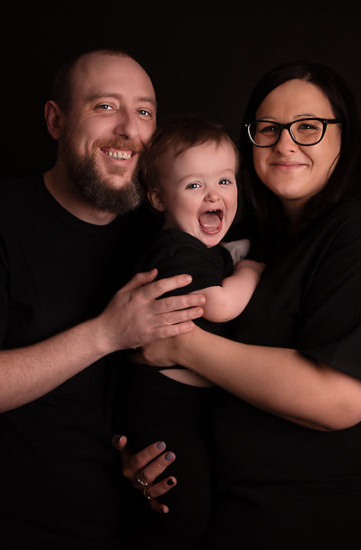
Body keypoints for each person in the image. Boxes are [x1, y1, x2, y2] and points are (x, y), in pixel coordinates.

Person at [117, 59, 361, 548]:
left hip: (319, 524)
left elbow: (340, 400)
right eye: (269, 129)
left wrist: (179, 346)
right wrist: (160, 461)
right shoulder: (256, 240)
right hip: (233, 515)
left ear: (345, 137)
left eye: (308, 127)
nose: (285, 144)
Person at [0, 49, 206, 548]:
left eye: (144, 112)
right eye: (105, 106)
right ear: (56, 121)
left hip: (123, 529)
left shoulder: (161, 233)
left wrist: (144, 459)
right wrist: (107, 334)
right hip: (2, 525)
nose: (129, 129)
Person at [115, 114, 264, 547]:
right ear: (159, 198)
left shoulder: (195, 247)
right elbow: (219, 304)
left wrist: (235, 253)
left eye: (225, 181)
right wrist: (252, 269)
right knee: (184, 509)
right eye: (194, 185)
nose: (214, 195)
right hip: (162, 406)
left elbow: (220, 257)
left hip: (186, 403)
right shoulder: (175, 249)